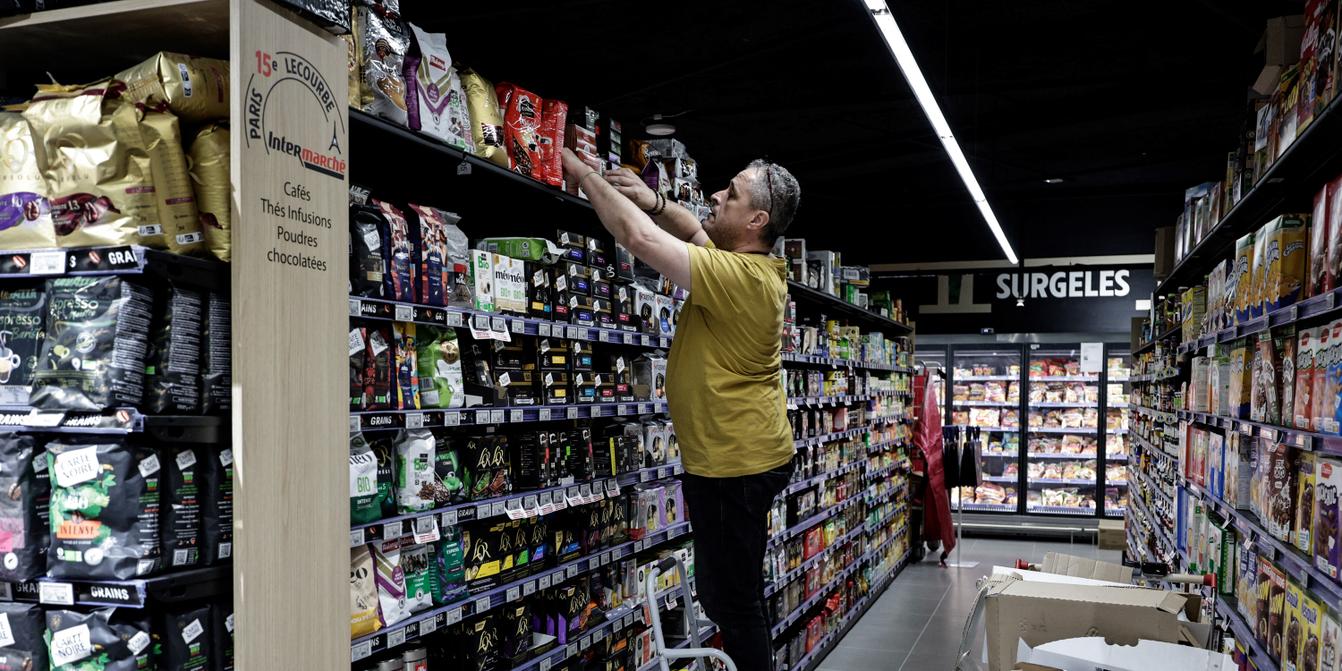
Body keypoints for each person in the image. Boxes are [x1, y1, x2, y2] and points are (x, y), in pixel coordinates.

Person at [560, 148, 801, 671]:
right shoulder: (740, 264)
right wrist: (655, 199)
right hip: (734, 461)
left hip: (736, 466)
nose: (717, 194)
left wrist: (581, 175)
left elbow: (640, 239)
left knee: (732, 602)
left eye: (732, 193)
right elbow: (694, 233)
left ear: (757, 221)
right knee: (729, 594)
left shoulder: (748, 279)